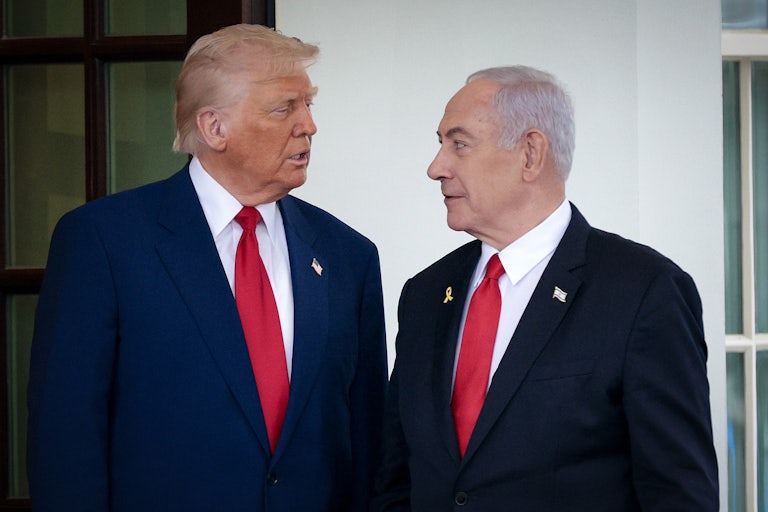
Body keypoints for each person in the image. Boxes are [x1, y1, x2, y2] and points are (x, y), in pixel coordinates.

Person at [27, 24, 387, 511]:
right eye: (285, 108)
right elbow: (65, 437)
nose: (308, 125)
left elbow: (366, 441)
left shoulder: (349, 255)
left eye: (308, 105)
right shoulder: (104, 241)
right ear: (214, 127)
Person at [371, 66, 718, 511]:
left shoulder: (644, 293)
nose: (436, 167)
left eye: (459, 145)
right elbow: (396, 480)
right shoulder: (424, 295)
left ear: (530, 153)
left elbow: (680, 495)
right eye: (440, 144)